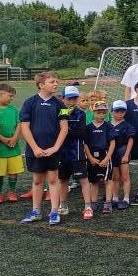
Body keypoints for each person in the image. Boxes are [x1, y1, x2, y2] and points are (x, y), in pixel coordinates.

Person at [19, 72, 69, 225]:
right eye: (52, 82)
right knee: (37, 180)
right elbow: (25, 127)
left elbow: (64, 128)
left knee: (53, 180)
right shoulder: (29, 103)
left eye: (56, 81)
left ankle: (54, 211)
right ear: (41, 85)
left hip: (53, 151)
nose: (56, 84)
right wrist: (35, 148)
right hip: (35, 151)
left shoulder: (60, 104)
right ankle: (36, 211)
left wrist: (55, 147)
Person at [57, 86, 89, 218]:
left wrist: (65, 129)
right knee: (63, 180)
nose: (72, 101)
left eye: (74, 98)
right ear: (63, 98)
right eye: (69, 98)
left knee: (83, 180)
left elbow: (81, 133)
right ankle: (63, 205)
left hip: (77, 153)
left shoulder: (81, 114)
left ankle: (88, 206)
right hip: (61, 153)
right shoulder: (58, 112)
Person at [0, 83, 23, 203]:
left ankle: (12, 192)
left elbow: (19, 124)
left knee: (13, 171)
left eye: (13, 96)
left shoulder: (13, 110)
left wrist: (15, 138)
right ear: (1, 94)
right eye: (10, 96)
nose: (12, 98)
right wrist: (2, 138)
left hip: (13, 146)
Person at [84, 100, 116, 216]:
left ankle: (108, 203)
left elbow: (112, 143)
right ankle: (94, 203)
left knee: (108, 180)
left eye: (103, 112)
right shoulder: (88, 127)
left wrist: (107, 158)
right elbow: (85, 144)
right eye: (99, 112)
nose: (101, 115)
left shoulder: (108, 126)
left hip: (105, 154)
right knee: (93, 181)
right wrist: (90, 157)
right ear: (93, 112)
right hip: (92, 156)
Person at [107, 100, 134, 210]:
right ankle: (115, 197)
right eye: (117, 111)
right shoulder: (107, 125)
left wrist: (126, 155)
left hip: (123, 151)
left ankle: (126, 198)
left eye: (122, 111)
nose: (119, 113)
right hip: (112, 153)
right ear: (112, 111)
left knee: (125, 176)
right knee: (115, 177)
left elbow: (130, 141)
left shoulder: (127, 125)